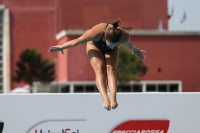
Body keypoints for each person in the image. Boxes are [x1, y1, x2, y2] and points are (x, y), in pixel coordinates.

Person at [49, 18, 146, 110]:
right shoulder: (95, 32)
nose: (112, 47)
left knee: (111, 70)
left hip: (109, 50)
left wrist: (135, 51)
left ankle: (113, 99)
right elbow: (77, 42)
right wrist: (62, 47)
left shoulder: (123, 36)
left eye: (115, 45)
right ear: (106, 37)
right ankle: (105, 99)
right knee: (100, 69)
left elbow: (131, 46)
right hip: (94, 46)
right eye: (110, 44)